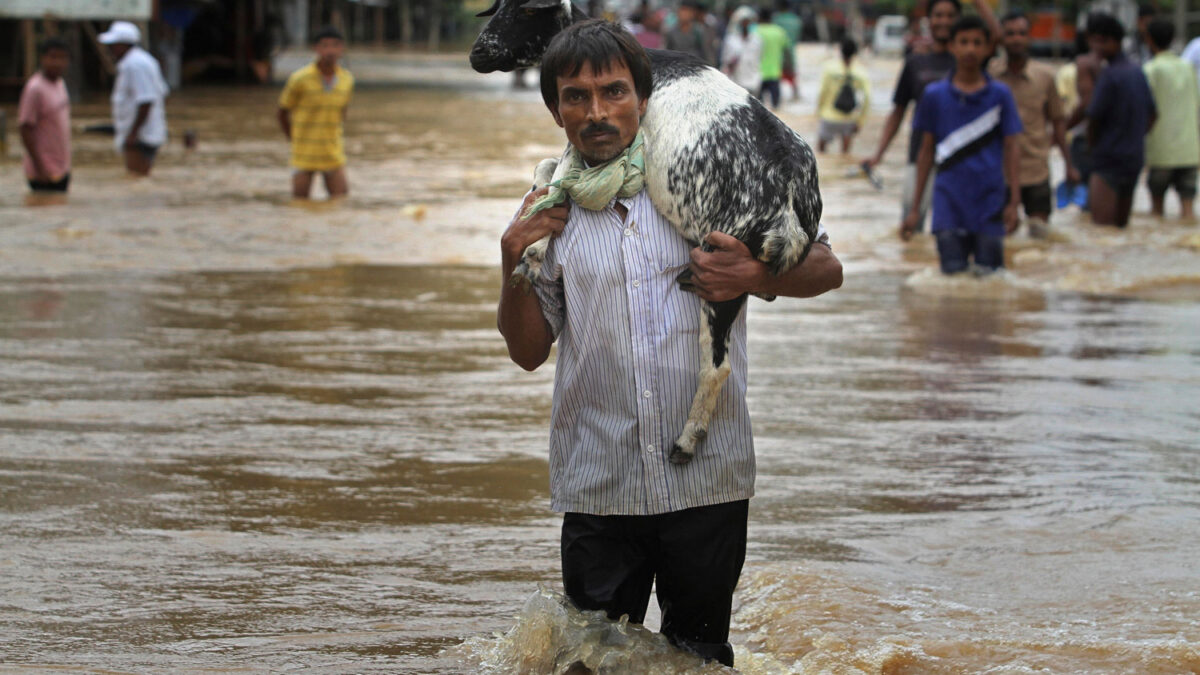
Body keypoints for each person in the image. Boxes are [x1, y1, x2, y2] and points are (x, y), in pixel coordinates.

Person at [497, 19, 842, 668]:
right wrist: (511, 261)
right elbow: (525, 350)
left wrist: (756, 274)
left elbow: (828, 269)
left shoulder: (701, 182)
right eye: (576, 96)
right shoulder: (548, 210)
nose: (597, 112)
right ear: (555, 110)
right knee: (590, 661)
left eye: (614, 91)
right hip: (599, 479)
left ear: (645, 96)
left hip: (708, 480)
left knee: (700, 658)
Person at [902, 15, 1023, 275]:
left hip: (990, 202)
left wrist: (1014, 202)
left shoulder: (1000, 95)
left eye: (977, 42)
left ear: (988, 48)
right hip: (948, 204)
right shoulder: (934, 96)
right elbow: (926, 152)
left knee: (990, 278)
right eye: (964, 42)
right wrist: (915, 209)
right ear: (953, 46)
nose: (970, 49)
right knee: (952, 276)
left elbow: (1012, 149)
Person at [863, 0, 961, 233]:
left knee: (954, 230)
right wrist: (879, 154)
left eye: (950, 15)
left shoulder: (968, 60)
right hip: (919, 155)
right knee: (911, 226)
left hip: (960, 157)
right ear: (929, 20)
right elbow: (898, 112)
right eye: (938, 15)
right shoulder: (916, 62)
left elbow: (997, 37)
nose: (944, 21)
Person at [988, 10, 1079, 238]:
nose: (1016, 39)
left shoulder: (1045, 76)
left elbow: (1058, 123)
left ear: (1029, 38)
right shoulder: (990, 75)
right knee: (1001, 238)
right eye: (1010, 34)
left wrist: (1068, 165)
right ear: (1002, 38)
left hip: (1036, 169)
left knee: (1040, 240)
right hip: (999, 171)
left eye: (1021, 33)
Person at [1084, 12, 1157, 228]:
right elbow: (1153, 115)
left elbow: (1093, 117)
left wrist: (1092, 147)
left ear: (1111, 41)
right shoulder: (1137, 72)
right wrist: (1134, 136)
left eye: (1099, 41)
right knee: (1120, 228)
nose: (1095, 47)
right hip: (1133, 158)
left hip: (1108, 159)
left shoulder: (1110, 75)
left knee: (1102, 231)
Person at [277, 26, 355, 200]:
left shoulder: (347, 80)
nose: (330, 51)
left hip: (332, 152)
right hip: (304, 152)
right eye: (325, 46)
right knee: (299, 204)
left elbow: (342, 113)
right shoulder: (299, 79)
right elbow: (282, 112)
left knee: (341, 201)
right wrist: (294, 138)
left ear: (341, 49)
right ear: (316, 49)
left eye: (335, 45)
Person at [1142, 19, 1200, 221]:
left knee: (1156, 215)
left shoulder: (1150, 70)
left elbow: (1145, 110)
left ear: (1148, 40)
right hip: (1189, 151)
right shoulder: (1188, 68)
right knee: (1188, 214)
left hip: (1161, 151)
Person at [98, 21, 169, 177]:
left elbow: (146, 101)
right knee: (138, 178)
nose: (109, 49)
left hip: (140, 137)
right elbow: (161, 94)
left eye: (113, 44)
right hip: (142, 133)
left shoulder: (135, 65)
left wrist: (133, 133)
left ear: (122, 44)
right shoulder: (140, 61)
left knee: (136, 176)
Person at [18, 38, 72, 194]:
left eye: (62, 58)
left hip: (61, 167)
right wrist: (40, 167)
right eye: (53, 57)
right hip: (43, 171)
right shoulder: (35, 89)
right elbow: (25, 128)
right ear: (42, 58)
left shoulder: (60, 83)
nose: (58, 63)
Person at [815, 38, 870, 154]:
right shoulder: (860, 71)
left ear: (840, 51)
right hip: (849, 118)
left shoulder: (830, 68)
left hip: (829, 116)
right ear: (855, 53)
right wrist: (861, 120)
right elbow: (867, 98)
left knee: (820, 152)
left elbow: (822, 92)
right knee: (845, 156)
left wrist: (819, 111)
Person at [720, 6, 762, 94]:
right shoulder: (731, 40)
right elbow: (725, 60)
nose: (746, 25)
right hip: (735, 83)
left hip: (752, 82)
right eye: (743, 22)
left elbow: (759, 59)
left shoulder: (757, 40)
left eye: (748, 22)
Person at [663, 0, 717, 66]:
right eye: (682, 10)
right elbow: (666, 54)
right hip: (677, 68)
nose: (683, 14)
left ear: (692, 13)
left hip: (695, 68)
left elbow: (707, 53)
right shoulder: (671, 32)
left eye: (687, 11)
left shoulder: (699, 31)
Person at [755, 7, 790, 109]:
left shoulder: (754, 30)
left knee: (759, 109)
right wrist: (788, 66)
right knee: (776, 108)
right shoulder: (779, 31)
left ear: (759, 18)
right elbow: (786, 51)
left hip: (757, 74)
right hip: (775, 72)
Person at [773, 0, 803, 101]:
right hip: (791, 51)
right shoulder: (796, 20)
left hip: (778, 52)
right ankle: (795, 94)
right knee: (791, 74)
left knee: (776, 75)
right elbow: (798, 36)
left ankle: (777, 97)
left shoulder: (776, 19)